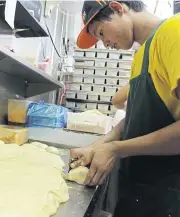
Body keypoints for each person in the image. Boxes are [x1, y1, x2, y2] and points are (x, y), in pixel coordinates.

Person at [72, 1, 180, 216]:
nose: (105, 44)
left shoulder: (173, 32)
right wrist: (98, 146)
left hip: (169, 196)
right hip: (140, 192)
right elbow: (134, 118)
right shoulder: (141, 56)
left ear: (118, 8)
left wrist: (117, 149)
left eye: (101, 33)